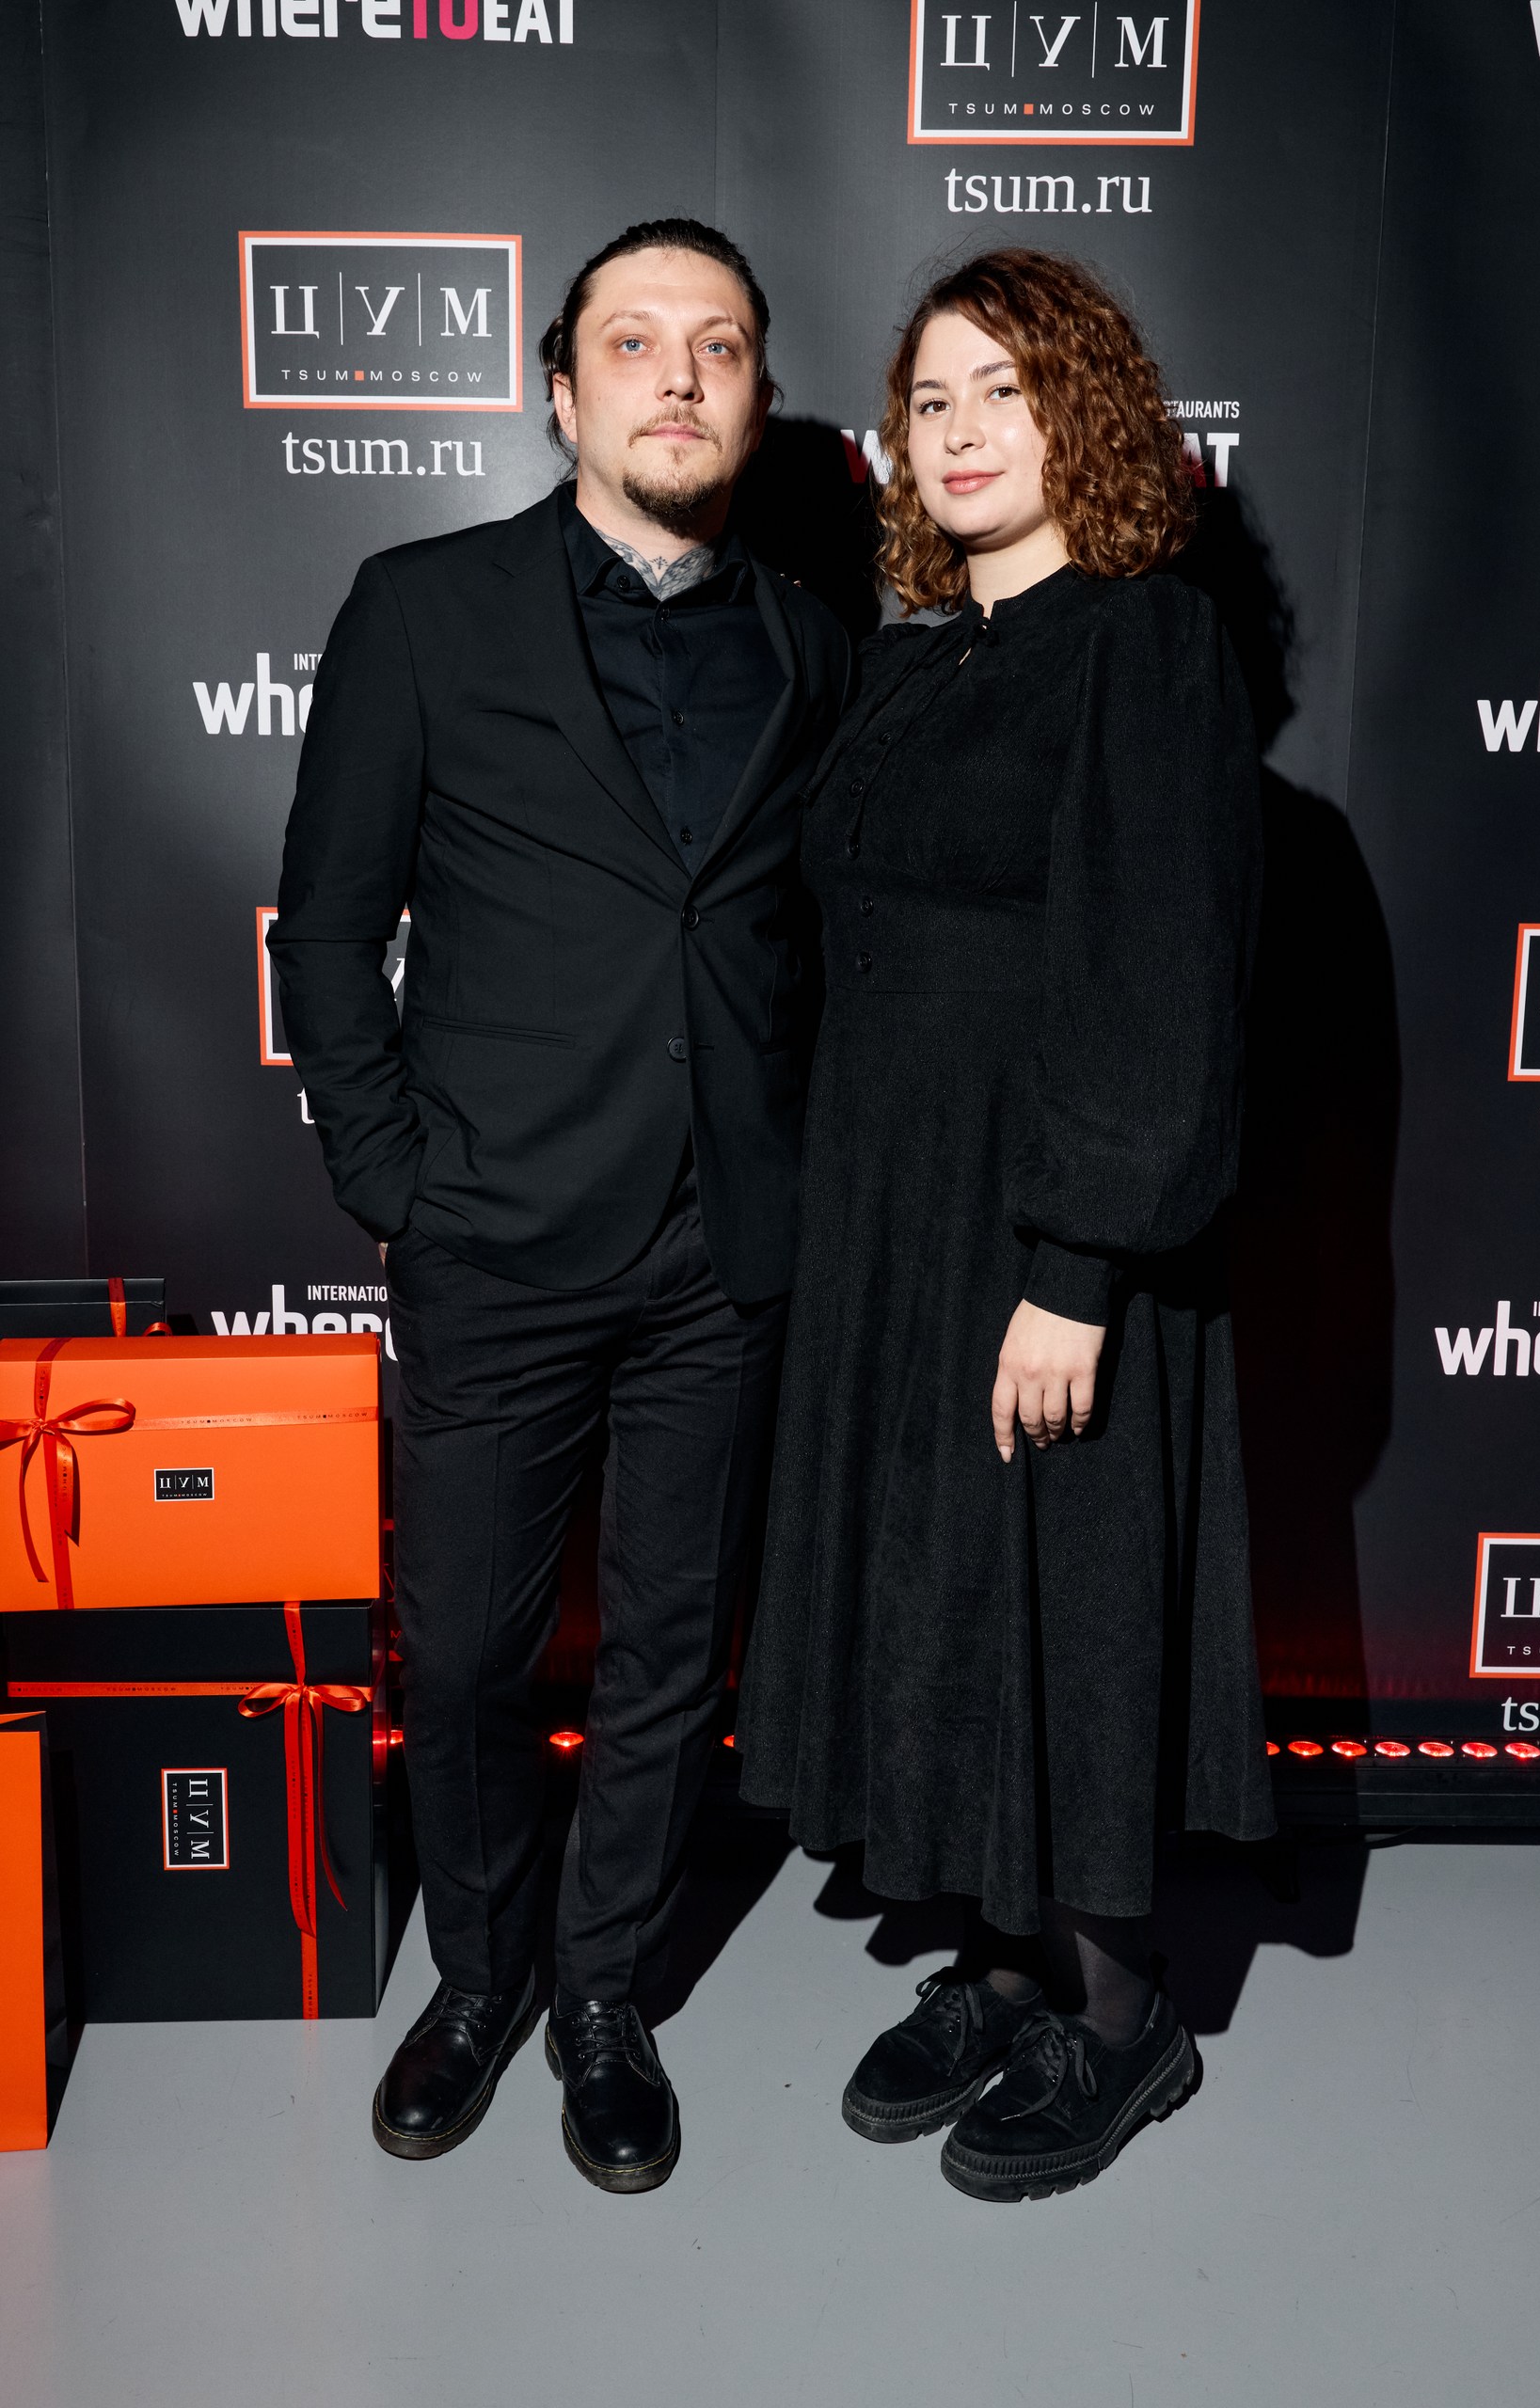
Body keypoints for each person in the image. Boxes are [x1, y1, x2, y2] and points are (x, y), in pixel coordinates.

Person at [270, 218, 850, 2190]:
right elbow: (330, 928)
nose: (677, 375)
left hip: (726, 1253)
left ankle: (602, 1992)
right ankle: (479, 1974)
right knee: (458, 1660)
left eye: (718, 346)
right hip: (494, 1234)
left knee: (672, 1655)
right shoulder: (423, 609)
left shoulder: (812, 642)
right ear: (558, 388)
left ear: (755, 396)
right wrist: (391, 1179)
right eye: (633, 341)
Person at [737, 248, 1274, 2204]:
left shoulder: (1144, 646)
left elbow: (1158, 976)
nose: (960, 432)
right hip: (891, 1216)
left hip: (1046, 1220)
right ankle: (1000, 1956)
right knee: (945, 1582)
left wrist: (1075, 1267)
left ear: (1083, 417)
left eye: (1004, 391)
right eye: (932, 398)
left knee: (1062, 1586)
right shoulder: (907, 661)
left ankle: (1121, 2016)